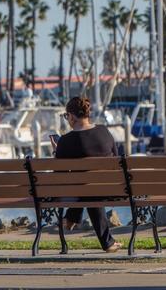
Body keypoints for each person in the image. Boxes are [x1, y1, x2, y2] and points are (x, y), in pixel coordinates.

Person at [53, 96, 122, 253]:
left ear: (71, 116)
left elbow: (58, 175)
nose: (67, 119)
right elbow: (116, 160)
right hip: (112, 189)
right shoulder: (104, 131)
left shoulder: (65, 141)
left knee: (86, 187)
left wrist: (56, 152)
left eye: (66, 116)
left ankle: (72, 217)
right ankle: (107, 242)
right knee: (89, 188)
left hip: (87, 190)